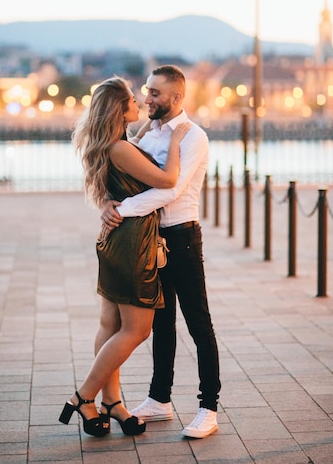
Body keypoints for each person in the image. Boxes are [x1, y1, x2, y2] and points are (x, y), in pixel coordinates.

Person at [59, 76, 190, 437]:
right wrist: (176, 140)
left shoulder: (112, 145)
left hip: (115, 240)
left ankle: (112, 403)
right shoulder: (120, 148)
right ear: (119, 110)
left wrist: (154, 123)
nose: (140, 102)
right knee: (137, 329)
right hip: (134, 244)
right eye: (133, 99)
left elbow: (120, 172)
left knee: (110, 325)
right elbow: (167, 180)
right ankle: (85, 397)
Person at [101, 65, 221, 439]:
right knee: (161, 323)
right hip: (151, 241)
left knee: (198, 323)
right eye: (147, 90)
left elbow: (169, 190)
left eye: (155, 93)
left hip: (182, 238)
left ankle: (208, 408)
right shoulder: (147, 133)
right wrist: (109, 200)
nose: (146, 97)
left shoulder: (192, 137)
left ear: (176, 98)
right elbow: (127, 178)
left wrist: (121, 211)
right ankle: (159, 399)